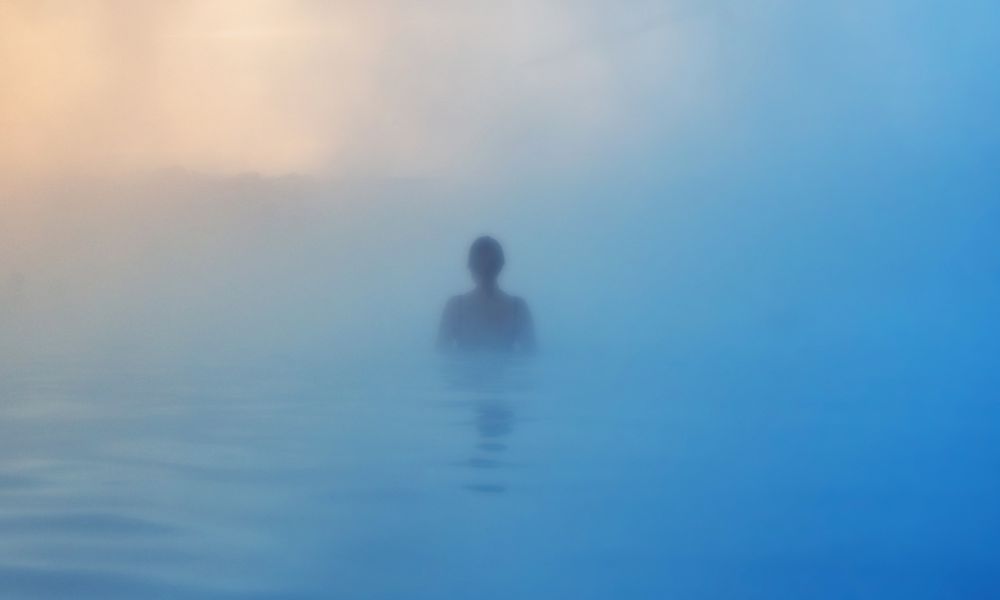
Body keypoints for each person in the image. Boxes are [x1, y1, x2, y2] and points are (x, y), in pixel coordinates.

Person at [437, 236, 536, 354]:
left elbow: (441, 356)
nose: (484, 269)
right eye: (480, 265)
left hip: (469, 371)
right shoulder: (456, 307)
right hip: (504, 371)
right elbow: (530, 356)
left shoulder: (517, 308)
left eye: (489, 266)